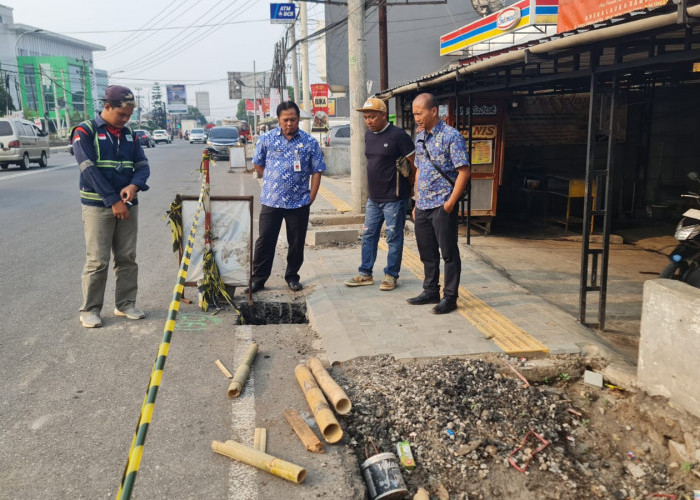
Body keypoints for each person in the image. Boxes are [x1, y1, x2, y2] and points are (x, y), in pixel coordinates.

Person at [73, 85, 150, 328]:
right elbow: (88, 169)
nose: (125, 120)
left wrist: (134, 187)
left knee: (127, 257)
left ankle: (125, 304)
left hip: (128, 204)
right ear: (107, 107)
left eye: (129, 116)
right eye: (121, 114)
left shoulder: (130, 135)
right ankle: (90, 310)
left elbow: (143, 166)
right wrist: (113, 200)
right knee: (98, 260)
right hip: (98, 206)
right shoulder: (85, 131)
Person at [248, 101, 326, 293]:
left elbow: (317, 170)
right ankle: (258, 279)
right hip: (271, 200)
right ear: (279, 120)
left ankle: (292, 276)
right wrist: (273, 180)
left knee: (296, 242)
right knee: (265, 240)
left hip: (299, 202)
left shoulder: (309, 142)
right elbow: (258, 164)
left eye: (293, 119)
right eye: (285, 120)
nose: (289, 123)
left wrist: (312, 196)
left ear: (298, 119)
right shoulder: (267, 139)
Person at [344, 97, 415, 291]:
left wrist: (411, 191)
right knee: (368, 235)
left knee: (393, 237)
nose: (368, 121)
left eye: (372, 117)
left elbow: (414, 164)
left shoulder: (398, 135)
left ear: (384, 115)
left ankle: (391, 275)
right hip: (374, 199)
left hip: (394, 197)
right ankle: (365, 273)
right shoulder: (369, 135)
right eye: (366, 117)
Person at [408, 93, 470, 314]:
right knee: (427, 251)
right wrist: (416, 202)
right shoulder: (420, 136)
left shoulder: (451, 136)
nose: (416, 118)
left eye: (419, 113)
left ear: (433, 111)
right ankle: (430, 290)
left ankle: (450, 297)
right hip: (423, 205)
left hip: (442, 205)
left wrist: (451, 203)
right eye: (414, 114)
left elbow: (464, 171)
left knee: (449, 253)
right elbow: (419, 171)